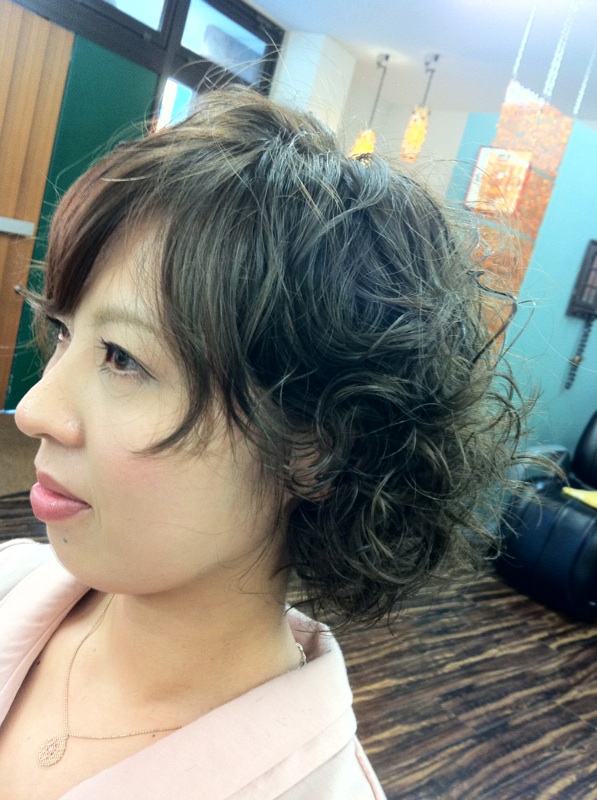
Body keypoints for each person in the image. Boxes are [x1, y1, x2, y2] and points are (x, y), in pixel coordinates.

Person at [0, 87, 523, 798]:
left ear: (316, 448)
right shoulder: (13, 579)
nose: (35, 410)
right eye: (65, 333)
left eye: (123, 357)